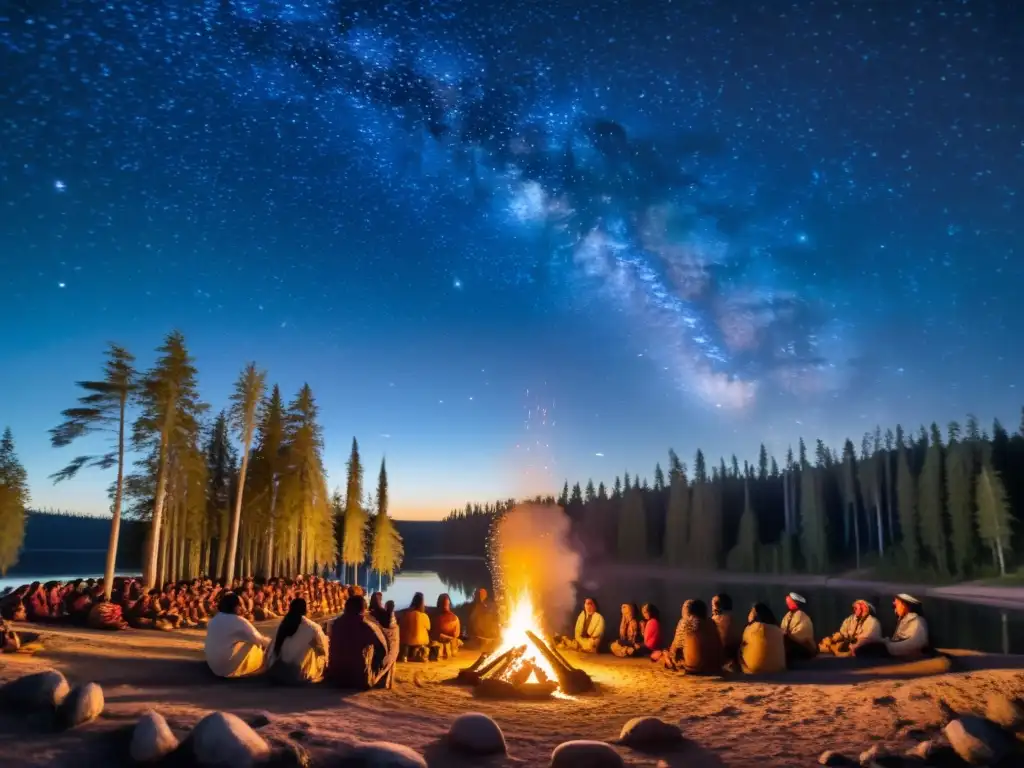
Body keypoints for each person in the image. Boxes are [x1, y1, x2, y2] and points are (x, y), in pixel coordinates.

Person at [326, 595, 391, 689]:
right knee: (381, 652)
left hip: (336, 678)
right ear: (363, 608)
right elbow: (382, 648)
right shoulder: (364, 625)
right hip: (358, 679)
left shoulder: (336, 623)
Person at [204, 592, 271, 678]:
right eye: (240, 605)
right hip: (226, 667)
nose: (242, 608)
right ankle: (259, 669)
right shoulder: (239, 621)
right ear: (235, 607)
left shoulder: (214, 620)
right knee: (257, 646)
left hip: (213, 666)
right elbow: (261, 640)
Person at [267, 598, 329, 684]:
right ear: (305, 609)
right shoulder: (312, 627)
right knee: (317, 646)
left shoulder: (282, 625)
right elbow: (323, 651)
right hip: (297, 674)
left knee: (313, 642)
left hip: (277, 671)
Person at [854, 594, 930, 659]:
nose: (895, 606)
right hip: (894, 648)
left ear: (904, 605)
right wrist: (884, 641)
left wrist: (890, 647)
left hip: (899, 650)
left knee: (866, 650)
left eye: (897, 604)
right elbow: (896, 639)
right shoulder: (904, 620)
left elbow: (916, 643)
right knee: (865, 648)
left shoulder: (917, 620)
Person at [663, 599, 724, 675]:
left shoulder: (685, 622)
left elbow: (674, 650)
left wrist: (667, 655)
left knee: (665, 654)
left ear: (688, 610)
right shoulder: (711, 622)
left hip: (695, 669)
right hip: (715, 668)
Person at [739, 603, 787, 674]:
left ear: (755, 615)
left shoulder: (750, 629)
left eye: (751, 612)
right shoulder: (778, 630)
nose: (749, 614)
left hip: (753, 670)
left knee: (739, 649)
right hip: (778, 669)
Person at [780, 592, 816, 661]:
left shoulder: (803, 617)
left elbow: (801, 638)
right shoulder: (788, 615)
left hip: (805, 649)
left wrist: (787, 636)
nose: (787, 603)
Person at [398, 592, 432, 662]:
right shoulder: (424, 616)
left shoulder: (406, 614)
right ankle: (418, 652)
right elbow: (429, 628)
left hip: (407, 642)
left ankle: (405, 655)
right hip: (421, 642)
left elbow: (401, 625)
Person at [712, 593, 742, 661]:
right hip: (737, 658)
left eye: (713, 605)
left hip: (720, 658)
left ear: (716, 608)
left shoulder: (714, 621)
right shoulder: (738, 620)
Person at [431, 593, 461, 659]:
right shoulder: (435, 617)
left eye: (446, 604)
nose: (445, 606)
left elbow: (456, 635)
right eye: (444, 604)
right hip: (444, 642)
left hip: (447, 642)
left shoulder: (454, 618)